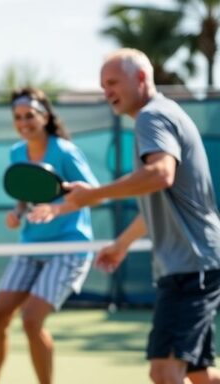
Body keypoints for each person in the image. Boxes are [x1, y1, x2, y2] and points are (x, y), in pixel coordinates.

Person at [62, 48, 220, 384]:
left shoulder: (153, 116)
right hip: (195, 264)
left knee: (164, 373)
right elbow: (158, 202)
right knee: (200, 375)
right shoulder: (163, 115)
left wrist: (92, 194)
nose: (107, 92)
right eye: (103, 85)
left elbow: (159, 175)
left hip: (190, 268)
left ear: (141, 78)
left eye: (113, 82)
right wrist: (121, 244)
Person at [0, 87, 99, 384]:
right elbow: (27, 193)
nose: (23, 122)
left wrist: (56, 210)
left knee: (31, 320)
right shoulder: (17, 152)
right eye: (18, 117)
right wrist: (18, 212)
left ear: (45, 117)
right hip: (31, 245)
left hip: (69, 247)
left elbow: (95, 195)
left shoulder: (65, 151)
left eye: (30, 116)